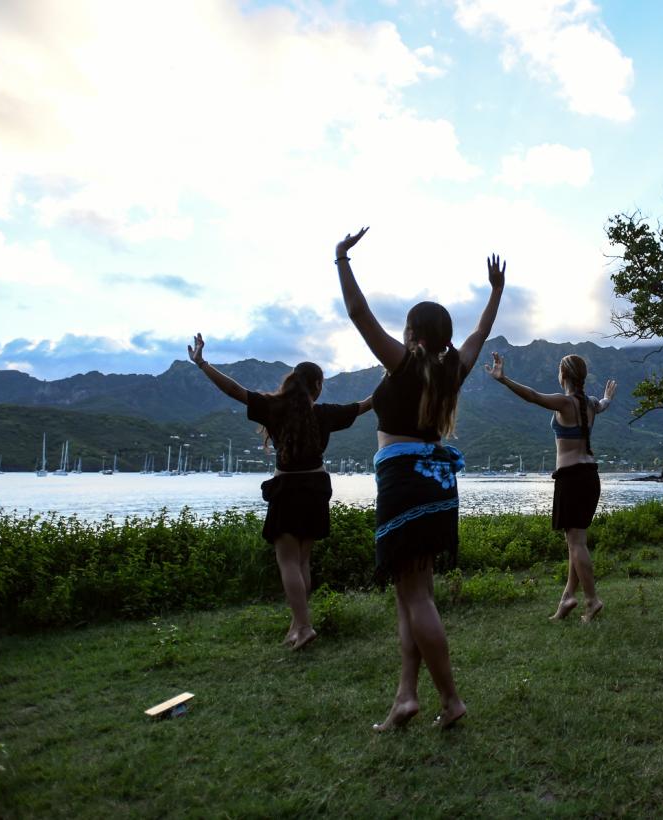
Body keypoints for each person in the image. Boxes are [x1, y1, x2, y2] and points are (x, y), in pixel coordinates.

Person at [333, 227, 504, 731]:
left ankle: (450, 700)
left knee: (415, 596)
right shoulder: (452, 370)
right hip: (436, 483)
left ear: (412, 333)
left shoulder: (403, 363)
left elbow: (360, 315)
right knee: (411, 593)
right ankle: (406, 696)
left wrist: (342, 260)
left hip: (404, 483)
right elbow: (478, 337)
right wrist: (495, 292)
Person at [187, 335, 371, 650]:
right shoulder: (324, 413)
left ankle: (304, 625)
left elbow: (234, 390)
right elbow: (366, 404)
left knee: (287, 561)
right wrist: (398, 372)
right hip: (315, 487)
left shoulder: (273, 407)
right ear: (317, 385)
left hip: (287, 488)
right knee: (302, 561)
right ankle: (296, 626)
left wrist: (203, 364)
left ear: (292, 382)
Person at [485, 352, 616, 621]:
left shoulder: (565, 402)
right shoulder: (590, 404)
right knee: (575, 542)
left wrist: (504, 379)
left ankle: (592, 600)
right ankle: (568, 598)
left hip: (572, 479)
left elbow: (533, 395)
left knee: (577, 544)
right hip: (590, 476)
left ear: (563, 375)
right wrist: (609, 397)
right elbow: (603, 404)